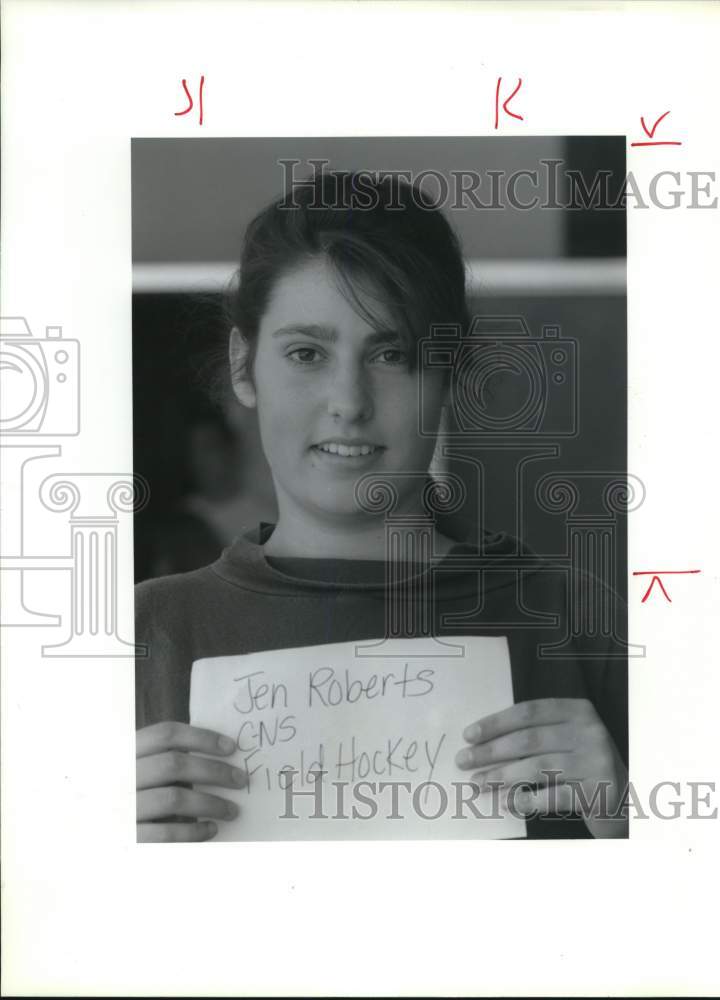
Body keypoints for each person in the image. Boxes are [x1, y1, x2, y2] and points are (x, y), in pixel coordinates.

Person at [135, 169, 628, 842]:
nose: (349, 401)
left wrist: (631, 817)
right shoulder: (141, 635)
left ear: (449, 373)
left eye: (393, 353)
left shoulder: (579, 622)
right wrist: (97, 856)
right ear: (245, 367)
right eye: (307, 353)